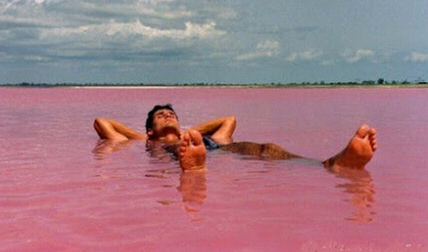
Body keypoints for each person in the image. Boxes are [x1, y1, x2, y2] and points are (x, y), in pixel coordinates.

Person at [94, 104, 377, 172]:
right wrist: (150, 137)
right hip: (175, 153)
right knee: (183, 156)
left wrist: (186, 133)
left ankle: (331, 164)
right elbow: (101, 122)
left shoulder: (189, 133)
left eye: (172, 114)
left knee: (267, 148)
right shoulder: (144, 141)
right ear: (150, 129)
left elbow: (228, 120)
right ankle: (194, 167)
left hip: (218, 150)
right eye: (161, 116)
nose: (168, 116)